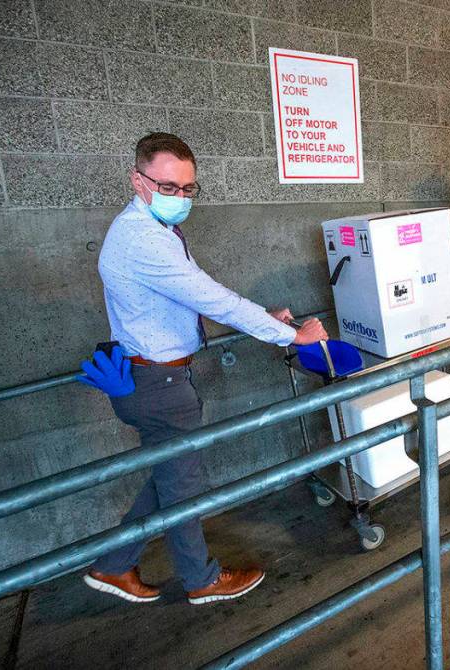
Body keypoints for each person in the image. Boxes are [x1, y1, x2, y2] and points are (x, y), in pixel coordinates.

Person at [82, 133, 328, 605]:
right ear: (137, 180)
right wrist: (292, 336)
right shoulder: (142, 240)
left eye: (187, 188)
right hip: (159, 382)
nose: (179, 197)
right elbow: (211, 298)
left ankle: (113, 565)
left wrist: (264, 317)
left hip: (152, 376)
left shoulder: (155, 229)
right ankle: (201, 579)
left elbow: (196, 292)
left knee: (171, 476)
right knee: (184, 486)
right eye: (167, 187)